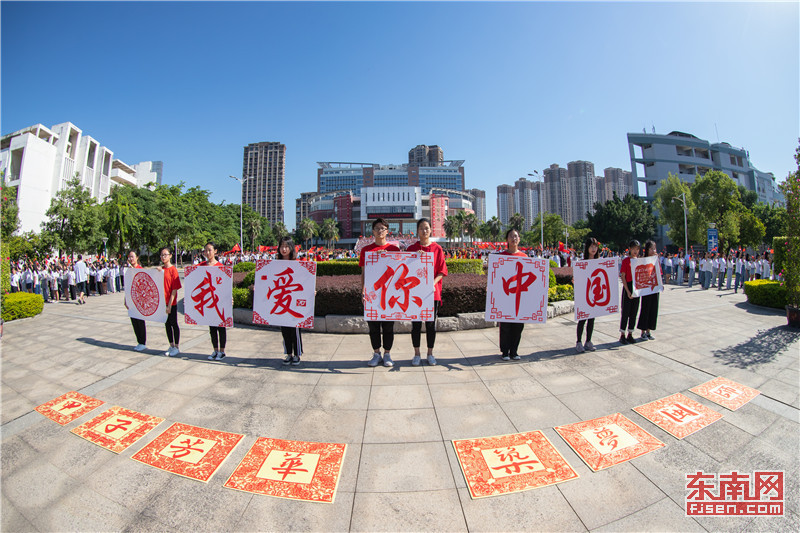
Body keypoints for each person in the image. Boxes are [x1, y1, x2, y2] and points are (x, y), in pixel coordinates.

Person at [360, 218, 401, 367]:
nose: (380, 231)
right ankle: (376, 353)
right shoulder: (367, 250)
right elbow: (364, 273)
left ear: (387, 231)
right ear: (373, 231)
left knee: (388, 326)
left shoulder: (394, 250)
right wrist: (363, 291)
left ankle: (387, 354)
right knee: (373, 326)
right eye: (377, 228)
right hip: (372, 294)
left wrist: (420, 256)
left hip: (389, 294)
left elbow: (400, 270)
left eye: (383, 228)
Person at [407, 218, 448, 366]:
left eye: (427, 228)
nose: (424, 231)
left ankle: (430, 353)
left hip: (432, 293)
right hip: (415, 294)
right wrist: (414, 258)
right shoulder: (411, 249)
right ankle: (417, 353)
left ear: (430, 230)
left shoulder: (437, 249)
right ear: (417, 231)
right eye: (421, 228)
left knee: (431, 324)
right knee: (416, 324)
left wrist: (432, 283)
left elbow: (442, 271)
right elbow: (404, 269)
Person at [498, 228, 527, 361]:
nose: (513, 239)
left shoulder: (524, 257)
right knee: (505, 325)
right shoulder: (501, 257)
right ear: (507, 240)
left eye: (516, 236)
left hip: (520, 297)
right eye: (511, 236)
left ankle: (514, 351)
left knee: (518, 325)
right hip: (505, 296)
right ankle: (505, 351)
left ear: (519, 239)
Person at [274, 237, 303, 366]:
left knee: (294, 329)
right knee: (284, 330)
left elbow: (305, 281)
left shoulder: (298, 264)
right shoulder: (275, 265)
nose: (284, 249)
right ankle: (288, 353)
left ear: (291, 248)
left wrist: (310, 292)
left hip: (294, 302)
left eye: (286, 246)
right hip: (282, 301)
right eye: (282, 246)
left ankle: (297, 354)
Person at [197, 242, 229, 361]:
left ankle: (222, 351)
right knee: (212, 328)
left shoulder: (221, 267)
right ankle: (215, 350)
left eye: (210, 250)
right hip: (208, 301)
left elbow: (226, 285)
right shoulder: (201, 266)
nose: (208, 252)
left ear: (215, 251)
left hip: (219, 301)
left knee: (221, 327)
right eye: (206, 250)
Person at [575, 237, 600, 353]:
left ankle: (588, 341)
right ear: (587, 248)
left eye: (595, 246)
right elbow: (578, 278)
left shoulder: (599, 263)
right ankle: (579, 342)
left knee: (592, 319)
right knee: (582, 319)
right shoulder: (582, 263)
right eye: (591, 246)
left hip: (595, 294)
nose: (594, 248)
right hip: (584, 295)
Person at [158, 247, 182, 357]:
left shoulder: (173, 270)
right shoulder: (161, 270)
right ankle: (171, 345)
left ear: (170, 255)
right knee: (167, 324)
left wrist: (169, 305)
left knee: (173, 324)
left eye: (165, 254)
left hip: (171, 303)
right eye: (162, 255)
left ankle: (176, 346)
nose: (164, 257)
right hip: (162, 303)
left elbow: (174, 289)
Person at [124, 251, 148, 352]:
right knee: (134, 321)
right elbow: (127, 287)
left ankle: (143, 342)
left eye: (133, 257)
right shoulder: (128, 271)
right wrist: (125, 299)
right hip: (131, 300)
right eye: (129, 257)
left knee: (140, 321)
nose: (131, 259)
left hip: (139, 300)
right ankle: (139, 341)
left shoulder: (140, 270)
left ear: (137, 257)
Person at [637, 240, 660, 340]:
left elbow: (659, 273)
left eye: (655, 248)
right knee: (645, 308)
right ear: (647, 249)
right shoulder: (643, 260)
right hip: (646, 288)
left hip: (654, 287)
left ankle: (649, 331)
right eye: (652, 248)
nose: (654, 250)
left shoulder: (655, 260)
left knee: (653, 309)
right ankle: (642, 331)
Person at [619, 240, 641, 345]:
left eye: (637, 249)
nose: (635, 251)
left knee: (634, 312)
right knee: (626, 312)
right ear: (630, 249)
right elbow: (623, 276)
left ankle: (630, 334)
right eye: (633, 248)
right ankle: (622, 335)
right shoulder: (626, 261)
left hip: (637, 288)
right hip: (628, 287)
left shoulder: (640, 261)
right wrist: (627, 291)